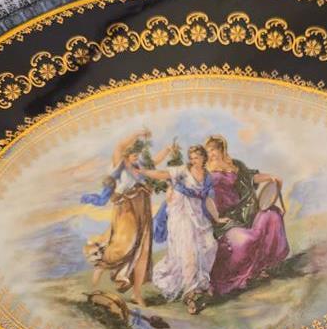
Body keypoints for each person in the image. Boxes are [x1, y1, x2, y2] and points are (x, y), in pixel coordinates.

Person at [80, 129, 173, 307]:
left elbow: (154, 162)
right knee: (124, 245)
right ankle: (102, 264)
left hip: (143, 208)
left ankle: (137, 294)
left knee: (143, 251)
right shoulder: (119, 164)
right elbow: (119, 145)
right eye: (133, 152)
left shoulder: (140, 165)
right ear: (126, 153)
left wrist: (168, 150)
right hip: (125, 208)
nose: (136, 155)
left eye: (138, 152)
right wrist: (138, 133)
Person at [135, 145, 225, 314]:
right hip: (181, 213)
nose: (193, 161)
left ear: (204, 158)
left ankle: (200, 285)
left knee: (210, 245)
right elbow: (163, 174)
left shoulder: (207, 177)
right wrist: (143, 172)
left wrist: (217, 218)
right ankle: (190, 293)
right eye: (191, 158)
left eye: (196, 157)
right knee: (189, 251)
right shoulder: (183, 171)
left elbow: (208, 200)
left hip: (197, 215)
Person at [204, 135, 290, 295]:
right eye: (208, 151)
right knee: (245, 240)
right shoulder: (204, 170)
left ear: (222, 150)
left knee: (272, 216)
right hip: (224, 219)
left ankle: (263, 267)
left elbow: (251, 177)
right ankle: (236, 279)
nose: (211, 154)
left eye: (214, 150)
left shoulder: (235, 165)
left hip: (245, 211)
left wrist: (271, 177)